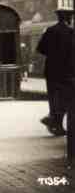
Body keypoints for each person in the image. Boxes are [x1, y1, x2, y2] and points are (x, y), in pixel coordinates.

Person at [36, 8, 75, 136]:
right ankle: (55, 122)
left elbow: (40, 49)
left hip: (51, 70)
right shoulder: (71, 32)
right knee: (65, 98)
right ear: (68, 18)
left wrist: (53, 54)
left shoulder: (50, 31)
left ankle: (53, 121)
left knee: (53, 98)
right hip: (66, 71)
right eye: (70, 17)